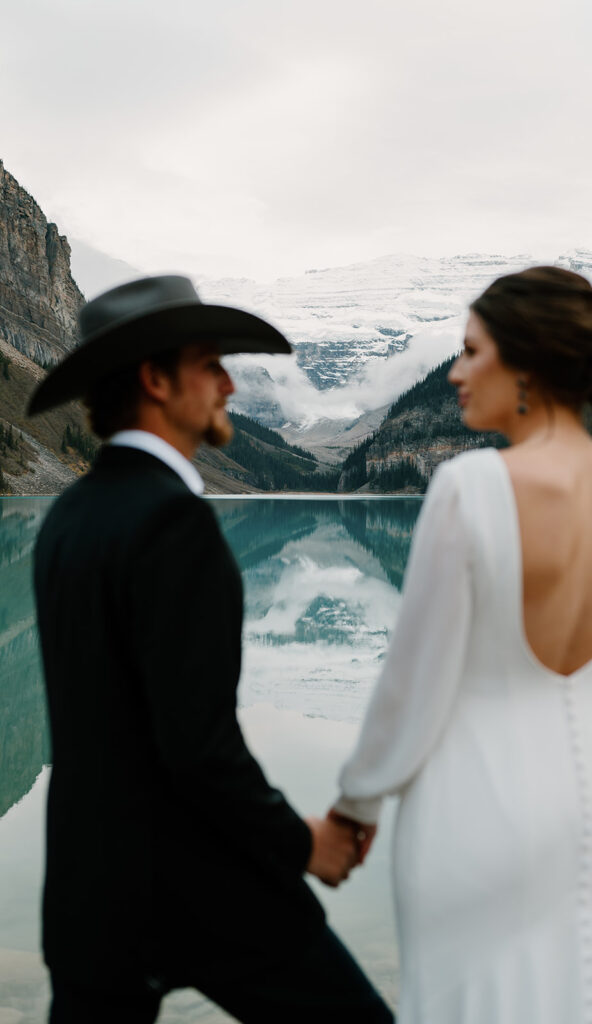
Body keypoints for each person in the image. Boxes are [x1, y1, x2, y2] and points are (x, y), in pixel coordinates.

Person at [28, 275, 393, 1024]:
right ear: (156, 380)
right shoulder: (174, 523)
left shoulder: (68, 516)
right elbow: (199, 748)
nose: (230, 381)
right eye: (210, 363)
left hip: (89, 894)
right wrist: (303, 844)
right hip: (202, 887)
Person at [330, 266, 592, 1023]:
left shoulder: (471, 487)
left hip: (477, 800)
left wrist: (355, 806)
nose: (454, 372)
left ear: (524, 360)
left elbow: (412, 684)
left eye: (470, 351)